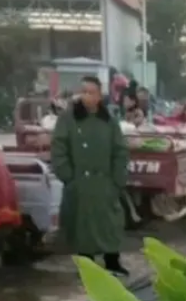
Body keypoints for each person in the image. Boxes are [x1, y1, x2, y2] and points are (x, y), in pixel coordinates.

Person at [51, 75, 130, 275]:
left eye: (91, 92)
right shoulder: (68, 118)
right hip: (80, 183)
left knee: (110, 224)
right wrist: (68, 176)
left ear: (99, 96)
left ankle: (112, 262)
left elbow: (120, 150)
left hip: (105, 183)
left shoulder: (109, 120)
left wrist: (118, 180)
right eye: (83, 91)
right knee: (82, 226)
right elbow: (59, 148)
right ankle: (87, 266)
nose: (86, 96)